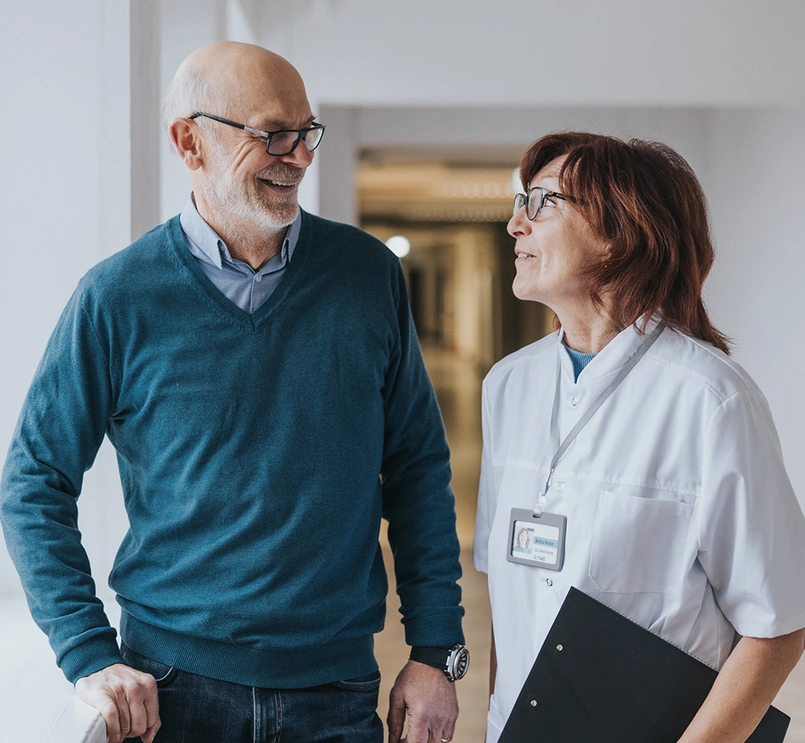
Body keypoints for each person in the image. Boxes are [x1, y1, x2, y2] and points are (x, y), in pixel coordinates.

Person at [0, 41, 467, 743]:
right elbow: (33, 480)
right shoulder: (117, 297)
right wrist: (85, 648)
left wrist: (435, 651)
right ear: (189, 141)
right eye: (271, 134)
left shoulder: (366, 276)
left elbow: (417, 469)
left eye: (306, 132)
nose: (299, 156)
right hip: (170, 689)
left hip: (334, 687)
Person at [473, 131, 805, 743]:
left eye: (543, 202)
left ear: (621, 231)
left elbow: (777, 622)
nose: (516, 223)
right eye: (522, 201)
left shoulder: (710, 399)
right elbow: (510, 590)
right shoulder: (507, 385)